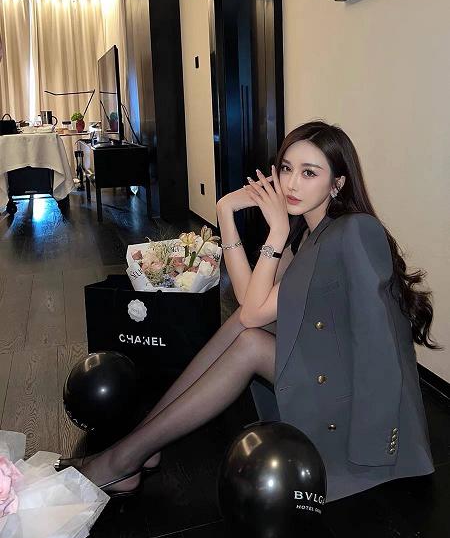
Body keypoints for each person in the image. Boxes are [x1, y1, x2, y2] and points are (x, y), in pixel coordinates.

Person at [56, 120, 441, 501]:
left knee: (251, 342)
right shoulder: (310, 232)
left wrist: (276, 233)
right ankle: (142, 444)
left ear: (337, 183)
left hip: (354, 396)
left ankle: (124, 458)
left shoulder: (354, 230)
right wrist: (225, 211)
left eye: (309, 173)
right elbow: (248, 302)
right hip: (327, 362)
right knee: (240, 329)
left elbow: (378, 344)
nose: (291, 184)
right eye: (286, 169)